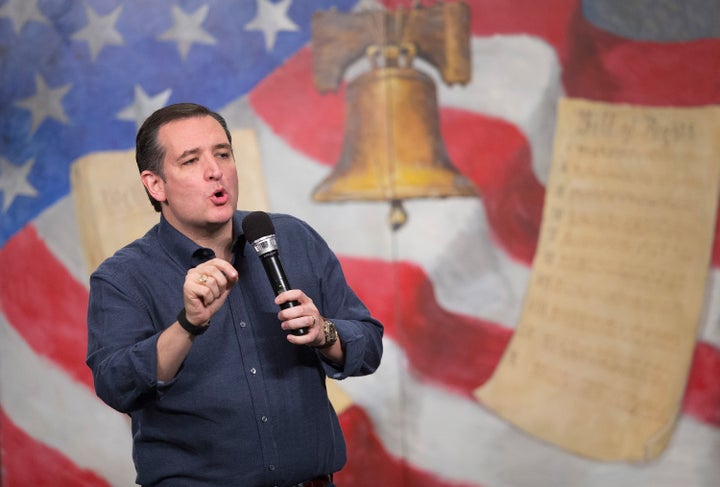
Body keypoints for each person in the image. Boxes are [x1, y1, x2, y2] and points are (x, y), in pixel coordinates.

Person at [86, 102, 384, 486]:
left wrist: (324, 332)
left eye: (223, 154)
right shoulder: (123, 277)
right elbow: (116, 385)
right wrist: (188, 324)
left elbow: (369, 346)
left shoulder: (293, 239)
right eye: (191, 161)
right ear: (155, 184)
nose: (215, 171)